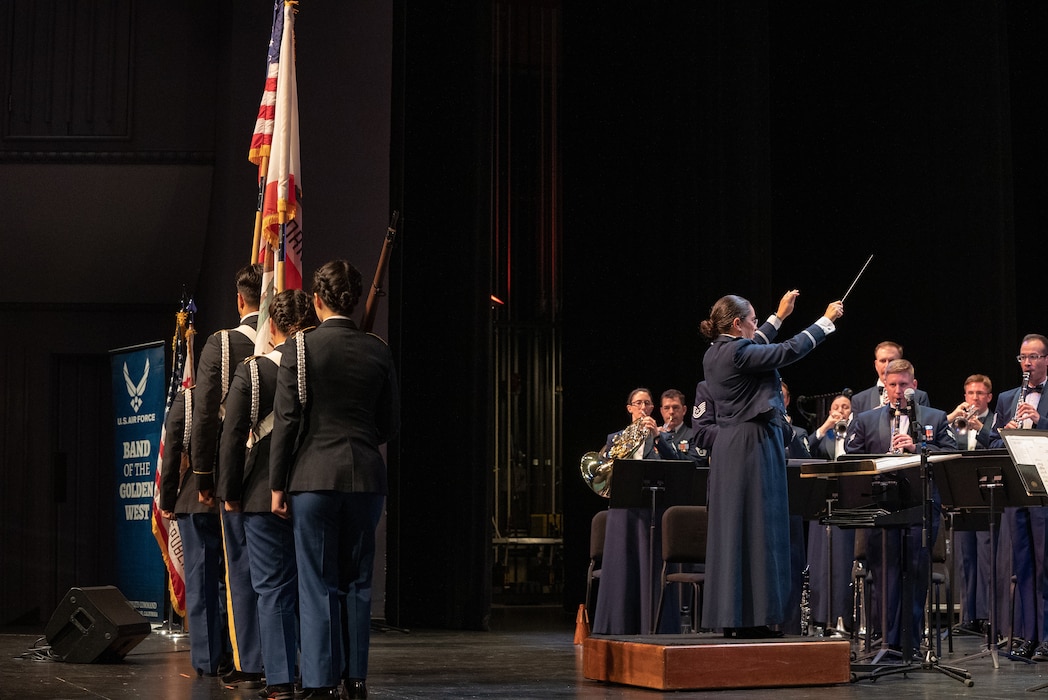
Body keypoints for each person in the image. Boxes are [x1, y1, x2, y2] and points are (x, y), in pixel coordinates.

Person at [269, 260, 400, 700]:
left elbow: (286, 423)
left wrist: (276, 486)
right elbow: (389, 424)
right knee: (359, 582)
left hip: (312, 478)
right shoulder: (378, 349)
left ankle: (322, 680)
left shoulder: (300, 348)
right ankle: (355, 678)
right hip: (365, 476)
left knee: (317, 581)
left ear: (317, 301)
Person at [699, 289, 843, 638]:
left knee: (736, 529)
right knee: (760, 527)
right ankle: (756, 618)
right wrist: (825, 322)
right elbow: (784, 351)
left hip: (732, 446)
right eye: (752, 319)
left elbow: (758, 343)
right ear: (737, 323)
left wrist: (780, 315)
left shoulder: (717, 352)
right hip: (753, 443)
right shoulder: (736, 352)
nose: (755, 324)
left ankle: (735, 617)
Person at [218, 289, 316, 700]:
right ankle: (315, 672)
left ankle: (279, 677)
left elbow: (232, 436)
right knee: (311, 587)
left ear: (270, 327)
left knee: (272, 587)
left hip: (260, 494)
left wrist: (228, 493)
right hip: (311, 487)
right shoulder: (319, 364)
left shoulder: (254, 372)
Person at [845, 358, 956, 657]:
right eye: (891, 385)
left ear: (914, 386)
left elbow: (952, 453)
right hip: (881, 506)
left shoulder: (935, 416)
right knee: (885, 573)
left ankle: (909, 642)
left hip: (920, 506)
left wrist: (917, 448)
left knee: (915, 573)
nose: (897, 390)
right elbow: (852, 456)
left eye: (903, 385)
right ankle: (885, 641)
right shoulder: (866, 419)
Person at [191, 263, 264, 687]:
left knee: (239, 568)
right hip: (279, 471)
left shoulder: (220, 344)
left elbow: (204, 416)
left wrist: (203, 476)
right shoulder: (292, 343)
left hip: (233, 471)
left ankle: (249, 660)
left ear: (240, 300)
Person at [591, 387, 678, 635]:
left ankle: (654, 624)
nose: (643, 407)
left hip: (652, 511)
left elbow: (676, 464)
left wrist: (658, 438)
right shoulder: (615, 438)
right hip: (624, 511)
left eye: (648, 403)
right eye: (638, 403)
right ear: (629, 408)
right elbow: (606, 466)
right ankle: (617, 623)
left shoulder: (664, 437)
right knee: (622, 567)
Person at [158, 387, 226, 677]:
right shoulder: (252, 381)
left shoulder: (189, 399)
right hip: (236, 496)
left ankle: (209, 659)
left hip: (193, 501)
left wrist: (168, 501)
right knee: (234, 584)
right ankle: (240, 658)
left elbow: (172, 450)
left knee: (201, 583)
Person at [989, 335, 1048, 659]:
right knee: (1023, 567)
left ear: (1046, 360)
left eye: (1034, 356)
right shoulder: (1007, 398)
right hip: (1018, 493)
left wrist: (1041, 422)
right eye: (1023, 357)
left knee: (1046, 567)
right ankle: (1029, 637)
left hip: (1046, 493)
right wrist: (1006, 431)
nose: (1027, 363)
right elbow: (991, 444)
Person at [945, 374, 997, 638]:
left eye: (980, 393)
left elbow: (1000, 445)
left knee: (987, 557)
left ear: (988, 397)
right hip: (963, 496)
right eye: (970, 393)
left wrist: (982, 428)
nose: (975, 398)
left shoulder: (994, 420)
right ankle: (968, 616)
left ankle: (988, 616)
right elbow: (939, 439)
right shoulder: (957, 422)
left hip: (988, 496)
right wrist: (953, 417)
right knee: (965, 558)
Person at [805, 394, 855, 634]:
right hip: (823, 502)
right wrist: (825, 427)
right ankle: (820, 616)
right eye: (836, 407)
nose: (840, 411)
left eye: (845, 407)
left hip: (848, 501)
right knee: (821, 560)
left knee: (844, 560)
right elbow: (806, 449)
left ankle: (845, 616)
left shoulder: (856, 430)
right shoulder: (825, 432)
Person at [849, 341, 931, 414]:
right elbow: (854, 430)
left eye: (892, 361)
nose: (887, 365)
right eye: (883, 361)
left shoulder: (920, 396)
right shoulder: (859, 400)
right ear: (875, 364)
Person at [655, 389, 707, 464]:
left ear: (684, 410)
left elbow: (695, 464)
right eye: (666, 408)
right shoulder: (653, 436)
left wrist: (664, 440)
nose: (671, 412)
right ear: (661, 411)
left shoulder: (695, 436)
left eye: (675, 407)